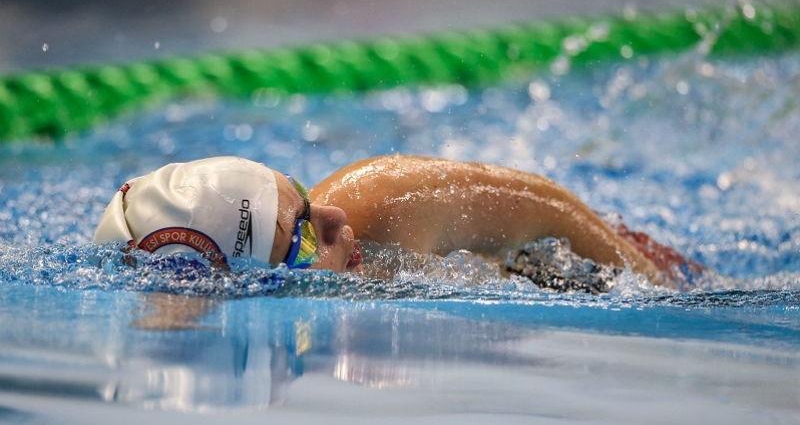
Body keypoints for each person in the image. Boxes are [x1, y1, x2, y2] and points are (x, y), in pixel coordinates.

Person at [94, 155, 699, 292]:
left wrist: (655, 282)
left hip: (554, 250)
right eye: (303, 235)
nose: (336, 220)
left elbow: (552, 207)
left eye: (302, 197)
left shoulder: (384, 200)